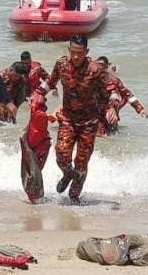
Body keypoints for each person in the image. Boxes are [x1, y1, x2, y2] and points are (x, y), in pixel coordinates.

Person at [36, 34, 121, 203]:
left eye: (79, 53)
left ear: (86, 51)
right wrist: (38, 94)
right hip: (68, 118)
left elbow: (113, 89)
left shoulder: (95, 69)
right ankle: (67, 174)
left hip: (89, 123)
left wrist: (112, 107)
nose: (75, 57)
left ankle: (74, 197)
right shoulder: (61, 64)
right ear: (68, 49)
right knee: (61, 154)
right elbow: (50, 82)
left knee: (82, 163)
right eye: (73, 52)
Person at [95, 56, 148, 135]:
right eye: (97, 65)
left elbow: (127, 94)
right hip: (95, 112)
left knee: (109, 134)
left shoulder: (113, 80)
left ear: (106, 67)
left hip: (110, 111)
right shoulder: (90, 78)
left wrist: (139, 108)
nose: (99, 68)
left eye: (102, 65)